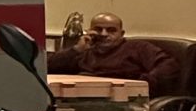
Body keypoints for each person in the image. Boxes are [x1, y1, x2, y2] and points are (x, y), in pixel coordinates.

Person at [49, 12, 179, 90]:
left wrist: (140, 84)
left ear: (121, 34)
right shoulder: (86, 50)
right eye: (98, 29)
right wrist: (76, 49)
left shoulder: (137, 48)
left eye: (111, 30)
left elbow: (168, 66)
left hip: (121, 101)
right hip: (82, 98)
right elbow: (47, 67)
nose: (104, 34)